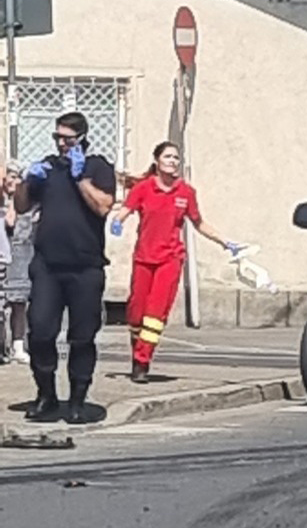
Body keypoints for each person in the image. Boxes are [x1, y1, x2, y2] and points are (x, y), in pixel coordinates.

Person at [109, 141, 244, 381]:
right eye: (168, 157)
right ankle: (137, 351)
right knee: (136, 312)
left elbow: (199, 223)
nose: (173, 161)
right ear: (157, 161)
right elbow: (126, 209)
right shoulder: (144, 188)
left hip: (170, 259)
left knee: (155, 313)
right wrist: (117, 222)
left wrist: (226, 242)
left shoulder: (186, 193)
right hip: (143, 258)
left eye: (176, 158)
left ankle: (142, 362)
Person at [15, 112, 117, 423]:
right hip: (48, 266)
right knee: (42, 332)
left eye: (68, 139)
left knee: (82, 336)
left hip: (86, 267)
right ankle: (46, 395)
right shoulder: (49, 167)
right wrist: (26, 180)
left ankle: (77, 400)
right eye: (57, 137)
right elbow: (21, 206)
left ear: (82, 138)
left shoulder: (97, 166)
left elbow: (103, 206)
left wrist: (80, 178)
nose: (61, 143)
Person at [4, 164, 36, 364]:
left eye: (18, 177)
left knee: (18, 301)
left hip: (17, 258)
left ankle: (17, 344)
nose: (13, 181)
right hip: (5, 256)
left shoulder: (25, 203)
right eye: (10, 176)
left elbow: (12, 222)